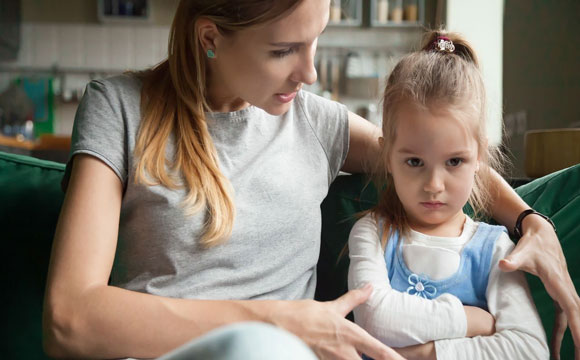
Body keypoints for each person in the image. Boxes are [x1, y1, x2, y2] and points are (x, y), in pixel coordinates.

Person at [41, 1, 578, 359]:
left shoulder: (314, 121)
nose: (310, 74)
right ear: (210, 38)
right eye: (283, 51)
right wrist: (276, 322)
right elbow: (69, 318)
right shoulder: (120, 108)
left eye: (314, 41)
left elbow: (441, 155)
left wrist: (532, 222)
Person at [348, 30, 550, 360]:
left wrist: (425, 353)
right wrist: (471, 321)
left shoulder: (497, 248)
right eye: (414, 162)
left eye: (454, 161)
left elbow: (529, 350)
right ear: (387, 156)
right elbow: (374, 317)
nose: (433, 184)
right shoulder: (373, 232)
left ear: (479, 158)